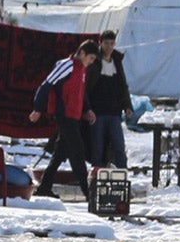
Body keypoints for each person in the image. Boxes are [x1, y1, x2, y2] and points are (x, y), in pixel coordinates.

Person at [28, 41, 98, 198]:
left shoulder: (82, 69)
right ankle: (89, 194)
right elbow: (46, 85)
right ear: (82, 53)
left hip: (73, 115)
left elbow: (80, 92)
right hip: (64, 114)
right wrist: (38, 108)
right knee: (77, 151)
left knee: (60, 153)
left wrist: (87, 109)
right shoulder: (67, 65)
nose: (91, 62)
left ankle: (45, 187)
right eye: (91, 58)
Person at [86, 29, 131, 169]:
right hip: (97, 111)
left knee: (119, 145)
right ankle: (96, 177)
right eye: (106, 43)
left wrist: (127, 105)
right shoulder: (94, 61)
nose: (109, 47)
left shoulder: (117, 61)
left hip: (114, 111)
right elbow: (87, 85)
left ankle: (123, 175)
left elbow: (122, 85)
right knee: (97, 147)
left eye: (112, 43)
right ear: (100, 43)